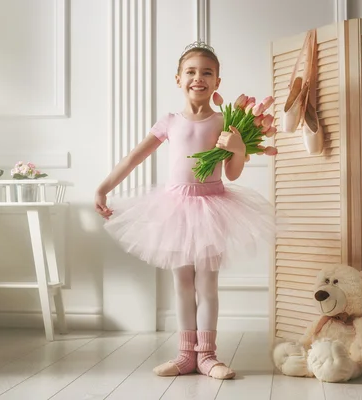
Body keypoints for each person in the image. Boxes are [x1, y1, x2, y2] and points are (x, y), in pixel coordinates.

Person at [94, 41, 276, 380]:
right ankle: (184, 355)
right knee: (182, 283)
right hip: (175, 209)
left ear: (218, 82)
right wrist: (105, 186)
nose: (198, 78)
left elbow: (233, 172)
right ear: (178, 79)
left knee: (207, 284)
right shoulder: (169, 121)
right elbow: (135, 156)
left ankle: (207, 355)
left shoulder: (226, 122)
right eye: (191, 72)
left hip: (213, 208)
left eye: (207, 72)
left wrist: (236, 148)